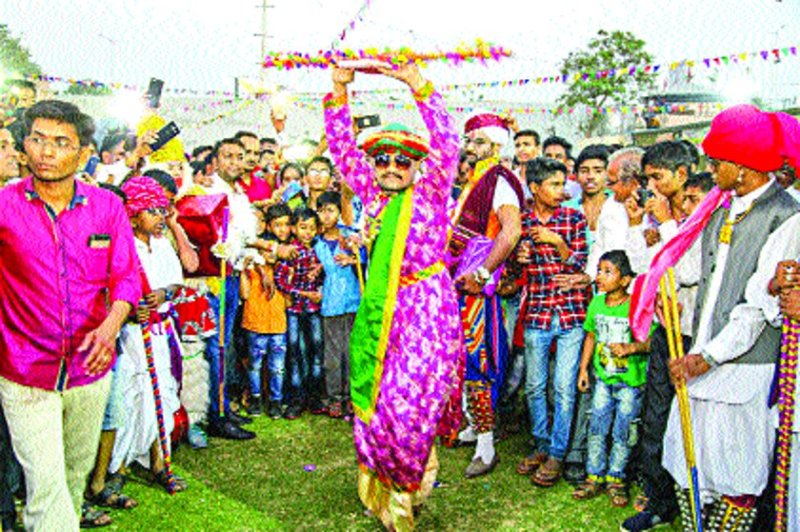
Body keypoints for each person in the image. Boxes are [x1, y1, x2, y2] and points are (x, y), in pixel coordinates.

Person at [325, 60, 462, 529]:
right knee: (379, 404)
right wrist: (338, 91)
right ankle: (393, 490)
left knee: (411, 404)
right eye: (382, 159)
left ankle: (406, 493)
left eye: (402, 160)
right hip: (383, 310)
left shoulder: (430, 193)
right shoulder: (374, 194)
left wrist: (416, 84)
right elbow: (342, 150)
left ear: (417, 165)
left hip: (427, 311)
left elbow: (448, 142)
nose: (391, 167)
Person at [652, 105, 800, 530]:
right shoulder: (720, 208)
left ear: (743, 166)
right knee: (687, 460)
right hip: (702, 356)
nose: (711, 169)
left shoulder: (786, 216)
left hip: (744, 368)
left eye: (717, 162)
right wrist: (666, 293)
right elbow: (696, 272)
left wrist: (708, 357)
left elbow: (759, 307)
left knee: (737, 472)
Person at [0, 100, 141, 530]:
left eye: (61, 143)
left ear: (83, 154)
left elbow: (127, 278)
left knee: (72, 479)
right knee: (46, 486)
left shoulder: (106, 207)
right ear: (24, 146)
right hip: (24, 371)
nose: (47, 151)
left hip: (91, 369)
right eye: (37, 139)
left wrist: (110, 328)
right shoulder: (4, 206)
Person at [452, 109, 523, 479]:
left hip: (477, 290)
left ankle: (486, 446)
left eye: (478, 141)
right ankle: (472, 426)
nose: (471, 146)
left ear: (496, 145)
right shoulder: (477, 178)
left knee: (479, 363)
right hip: (460, 286)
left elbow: (511, 232)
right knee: (463, 362)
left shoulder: (499, 181)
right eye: (469, 140)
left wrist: (482, 274)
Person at [513, 157, 588, 488]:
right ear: (534, 188)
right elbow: (513, 270)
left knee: (563, 388)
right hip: (538, 312)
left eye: (563, 184)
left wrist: (558, 242)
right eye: (554, 184)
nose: (561, 190)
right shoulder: (522, 222)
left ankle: (557, 452)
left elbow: (581, 264)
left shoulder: (573, 218)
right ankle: (541, 444)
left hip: (571, 313)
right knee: (534, 385)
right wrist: (519, 258)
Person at [109, 176, 187, 493]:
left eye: (162, 209)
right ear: (133, 214)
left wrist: (164, 293)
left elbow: (177, 283)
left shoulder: (163, 245)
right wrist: (130, 310)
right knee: (129, 397)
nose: (160, 217)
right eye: (152, 211)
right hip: (129, 335)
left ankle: (158, 463)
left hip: (159, 331)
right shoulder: (123, 245)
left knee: (162, 394)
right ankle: (118, 466)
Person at [573, 251, 653, 507]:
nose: (599, 276)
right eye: (599, 270)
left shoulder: (635, 307)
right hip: (603, 381)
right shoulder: (596, 304)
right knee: (597, 426)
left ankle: (616, 478)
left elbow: (651, 341)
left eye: (608, 272)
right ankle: (594, 475)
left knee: (623, 432)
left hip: (629, 384)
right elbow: (590, 336)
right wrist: (583, 370)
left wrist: (631, 348)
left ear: (625, 280)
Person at [313, 191, 363, 419]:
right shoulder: (316, 242)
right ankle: (335, 397)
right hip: (331, 303)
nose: (326, 216)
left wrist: (352, 259)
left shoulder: (351, 237)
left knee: (352, 351)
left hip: (353, 300)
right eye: (321, 211)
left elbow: (365, 259)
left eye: (330, 210)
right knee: (332, 354)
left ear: (340, 213)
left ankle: (353, 396)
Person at [273, 207, 325, 420]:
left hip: (313, 309)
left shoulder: (318, 250)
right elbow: (280, 281)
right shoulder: (291, 251)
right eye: (303, 227)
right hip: (295, 309)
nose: (307, 232)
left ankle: (314, 396)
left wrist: (319, 280)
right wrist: (304, 293)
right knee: (295, 353)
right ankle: (297, 398)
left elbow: (324, 277)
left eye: (312, 228)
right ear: (294, 229)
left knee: (316, 350)